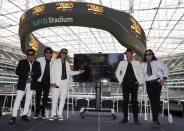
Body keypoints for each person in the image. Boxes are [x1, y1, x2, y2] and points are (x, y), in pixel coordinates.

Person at [49, 48, 85, 121]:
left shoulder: (67, 63)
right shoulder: (55, 62)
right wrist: (53, 82)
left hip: (64, 83)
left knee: (62, 99)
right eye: (63, 52)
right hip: (56, 83)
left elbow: (70, 73)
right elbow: (51, 73)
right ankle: (53, 114)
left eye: (66, 53)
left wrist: (78, 72)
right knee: (55, 99)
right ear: (60, 53)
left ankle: (59, 114)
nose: (64, 54)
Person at [9, 49, 41, 124]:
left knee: (28, 100)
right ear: (27, 55)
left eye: (31, 54)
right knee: (18, 99)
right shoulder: (21, 62)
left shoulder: (37, 63)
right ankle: (13, 116)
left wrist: (32, 78)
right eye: (29, 54)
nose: (30, 56)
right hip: (22, 83)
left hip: (32, 84)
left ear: (34, 55)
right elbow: (17, 72)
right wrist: (27, 74)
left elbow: (39, 73)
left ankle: (24, 115)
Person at [141, 49, 169, 128]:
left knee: (156, 102)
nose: (148, 56)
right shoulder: (142, 64)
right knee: (152, 103)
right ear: (145, 56)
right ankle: (155, 120)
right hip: (148, 84)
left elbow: (166, 69)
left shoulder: (157, 62)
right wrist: (145, 87)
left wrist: (164, 79)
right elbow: (142, 76)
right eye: (146, 55)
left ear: (152, 54)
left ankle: (155, 120)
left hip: (157, 83)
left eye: (149, 54)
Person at [115, 48, 143, 125]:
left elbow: (140, 73)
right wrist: (121, 81)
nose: (127, 55)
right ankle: (125, 118)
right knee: (125, 101)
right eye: (126, 54)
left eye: (129, 54)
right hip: (125, 84)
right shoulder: (122, 63)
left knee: (135, 102)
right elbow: (117, 73)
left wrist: (139, 82)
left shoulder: (137, 63)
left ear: (132, 54)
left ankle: (136, 119)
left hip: (134, 84)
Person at [33, 47, 54, 119]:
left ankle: (43, 112)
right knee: (37, 97)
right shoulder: (39, 59)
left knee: (45, 98)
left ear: (51, 54)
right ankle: (37, 112)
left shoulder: (54, 62)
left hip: (48, 82)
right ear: (44, 53)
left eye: (49, 52)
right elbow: (35, 69)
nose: (48, 54)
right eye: (46, 52)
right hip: (39, 81)